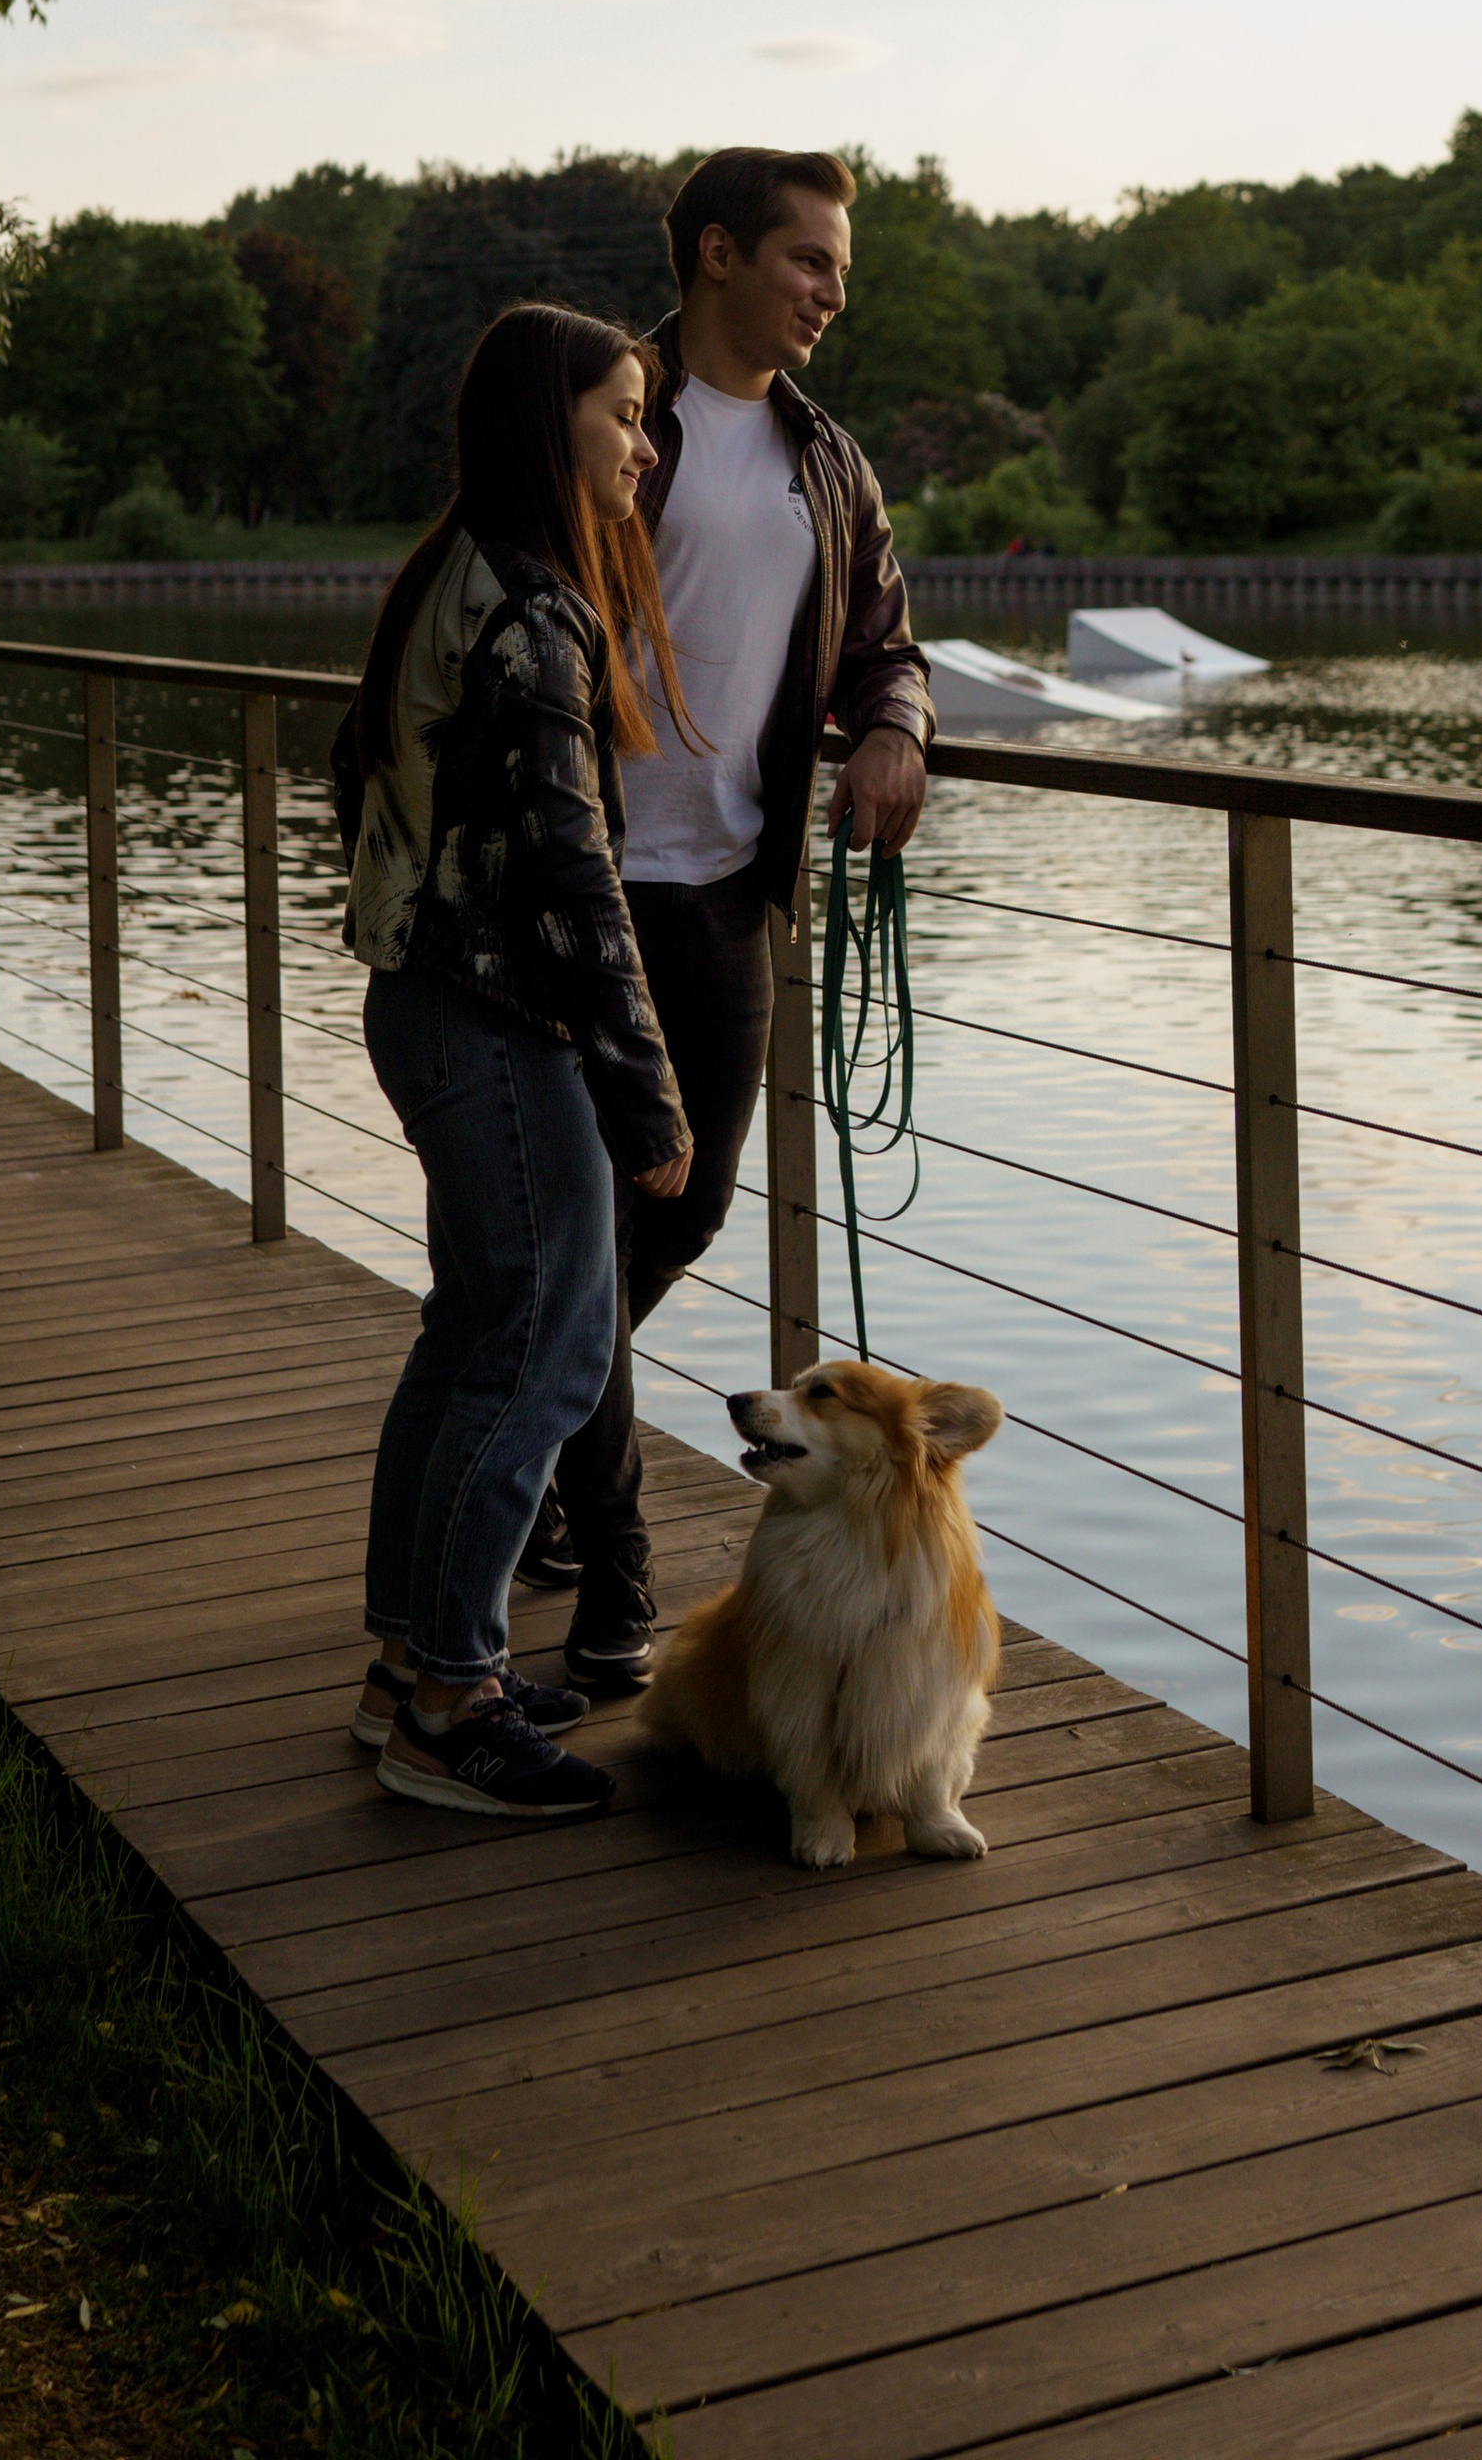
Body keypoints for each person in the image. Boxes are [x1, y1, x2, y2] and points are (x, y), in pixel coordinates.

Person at [544, 147, 933, 1697]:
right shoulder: (606, 407)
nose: (836, 293)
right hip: (586, 888)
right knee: (588, 1225)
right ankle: (612, 1565)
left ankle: (520, 1401)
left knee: (679, 1212)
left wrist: (894, 723)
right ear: (718, 254)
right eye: (810, 262)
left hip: (729, 894)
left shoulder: (827, 460)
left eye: (841, 268)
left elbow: (885, 634)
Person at [343, 302, 697, 1820]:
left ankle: (416, 1662)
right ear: (549, 426)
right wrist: (648, 1091)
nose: (645, 443)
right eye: (623, 414)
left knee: (471, 1332)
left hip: (426, 1001)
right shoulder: (534, 613)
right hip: (492, 1019)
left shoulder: (456, 574)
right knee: (547, 1349)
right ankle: (451, 1704)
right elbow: (573, 875)